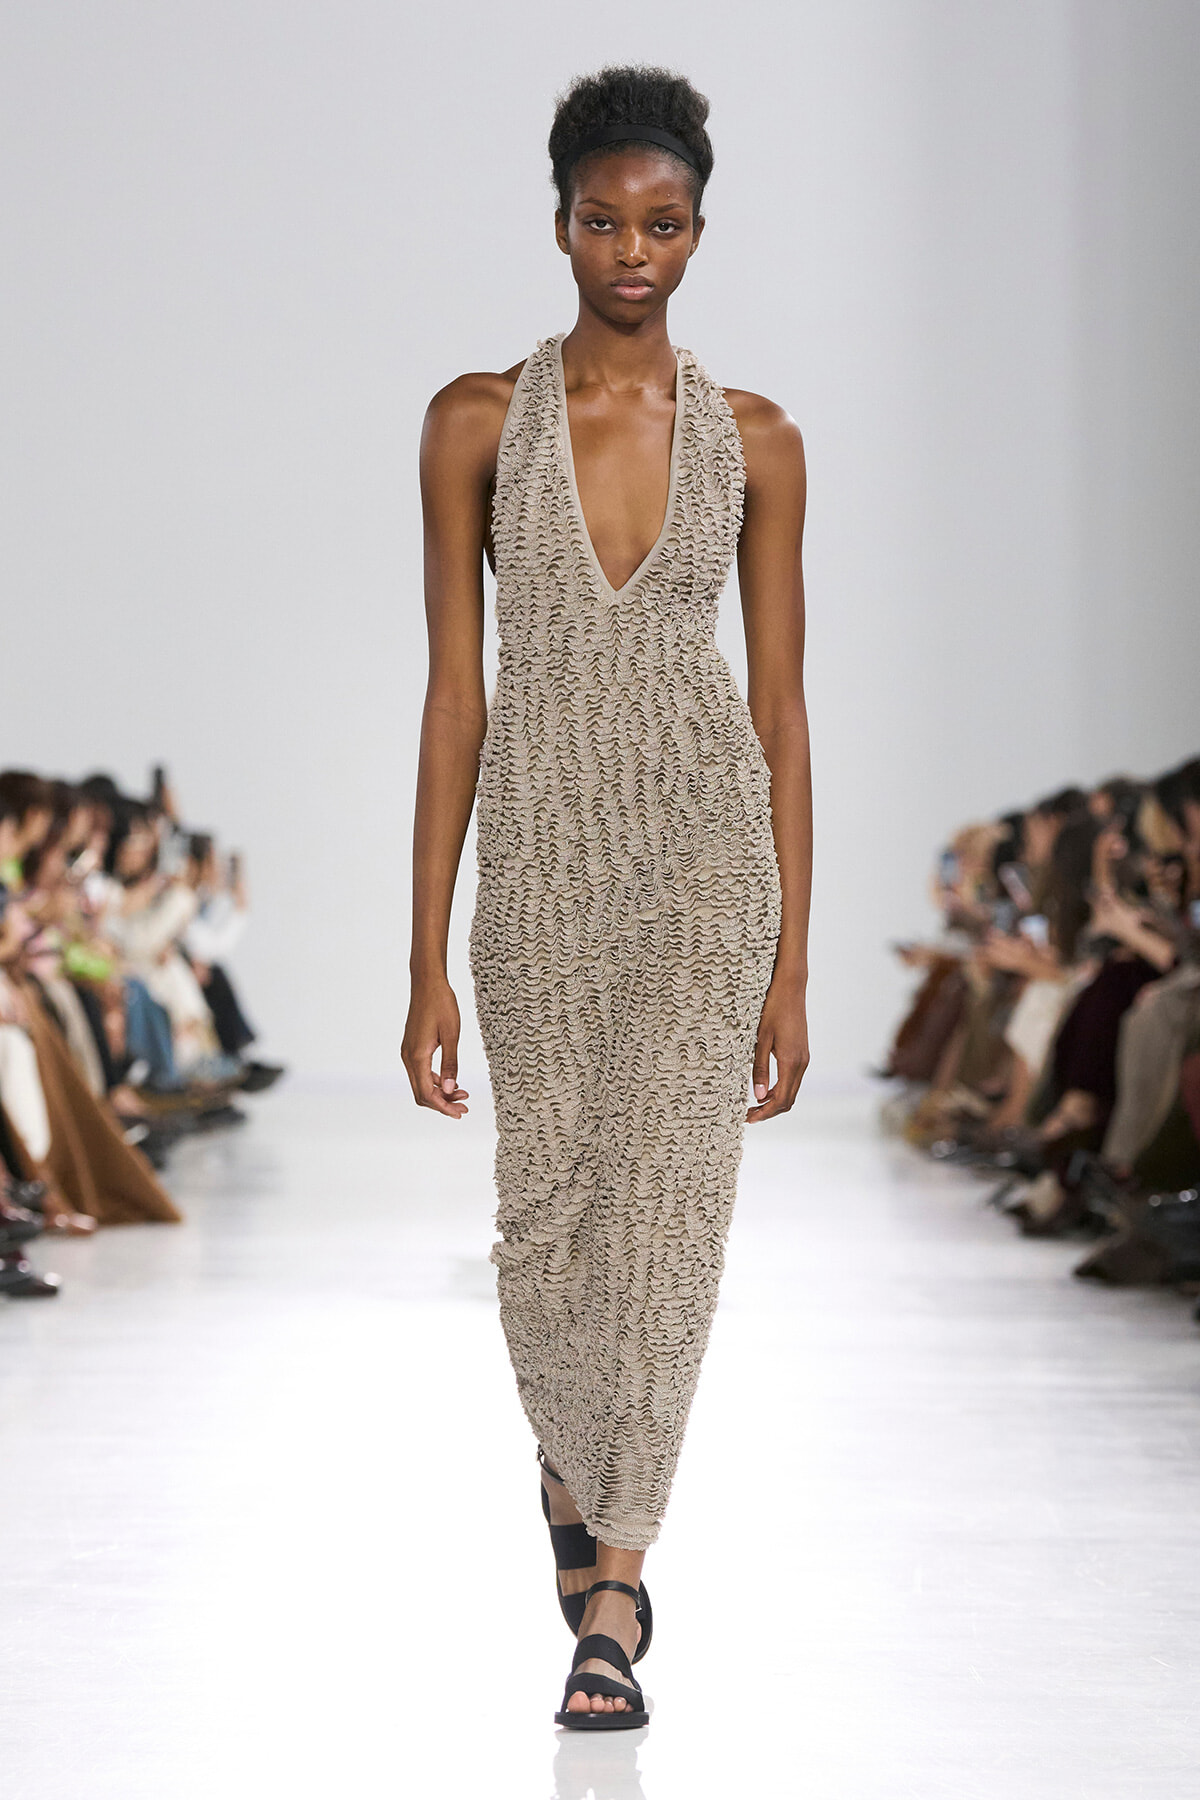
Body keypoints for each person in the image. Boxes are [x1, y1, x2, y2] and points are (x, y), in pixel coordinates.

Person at [402, 65, 812, 1730]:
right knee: (548, 1222)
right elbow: (453, 693)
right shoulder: (473, 422)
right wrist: (420, 954)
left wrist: (785, 965)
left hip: (710, 866)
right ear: (558, 221)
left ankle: (617, 1581)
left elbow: (780, 707)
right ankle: (576, 1473)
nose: (631, 250)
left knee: (673, 1224)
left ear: (700, 234)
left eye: (662, 224)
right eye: (602, 219)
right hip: (543, 870)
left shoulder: (762, 442)